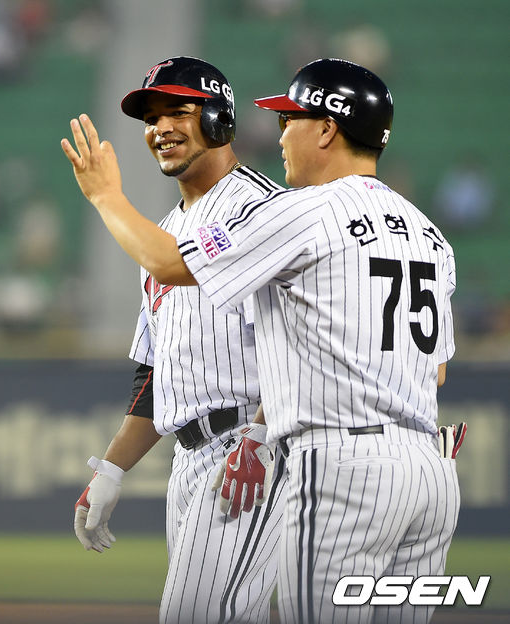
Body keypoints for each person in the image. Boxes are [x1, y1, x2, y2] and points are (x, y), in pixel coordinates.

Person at [62, 58, 460, 624]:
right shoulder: (428, 232)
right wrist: (112, 467)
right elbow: (433, 368)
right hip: (425, 461)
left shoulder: (289, 211)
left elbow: (171, 264)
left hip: (316, 455)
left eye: (290, 120)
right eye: (152, 118)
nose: (280, 135)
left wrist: (106, 195)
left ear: (327, 129)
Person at [65, 56, 287, 624]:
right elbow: (155, 371)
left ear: (218, 118)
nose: (160, 128)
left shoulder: (261, 210)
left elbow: (301, 346)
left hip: (251, 448)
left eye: (177, 112)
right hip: (190, 458)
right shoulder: (164, 232)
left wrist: (261, 438)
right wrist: (111, 469)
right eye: (151, 118)